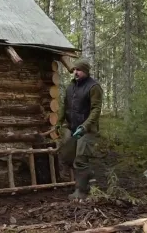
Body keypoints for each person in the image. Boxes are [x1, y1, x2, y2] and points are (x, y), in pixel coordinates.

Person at [54, 58, 103, 200]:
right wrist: (59, 122)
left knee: (80, 160)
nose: (75, 72)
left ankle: (80, 191)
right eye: (74, 69)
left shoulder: (94, 87)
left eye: (79, 70)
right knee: (67, 156)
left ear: (86, 71)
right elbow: (65, 105)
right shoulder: (71, 86)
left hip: (87, 130)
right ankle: (89, 176)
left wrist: (85, 126)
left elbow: (96, 110)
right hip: (73, 127)